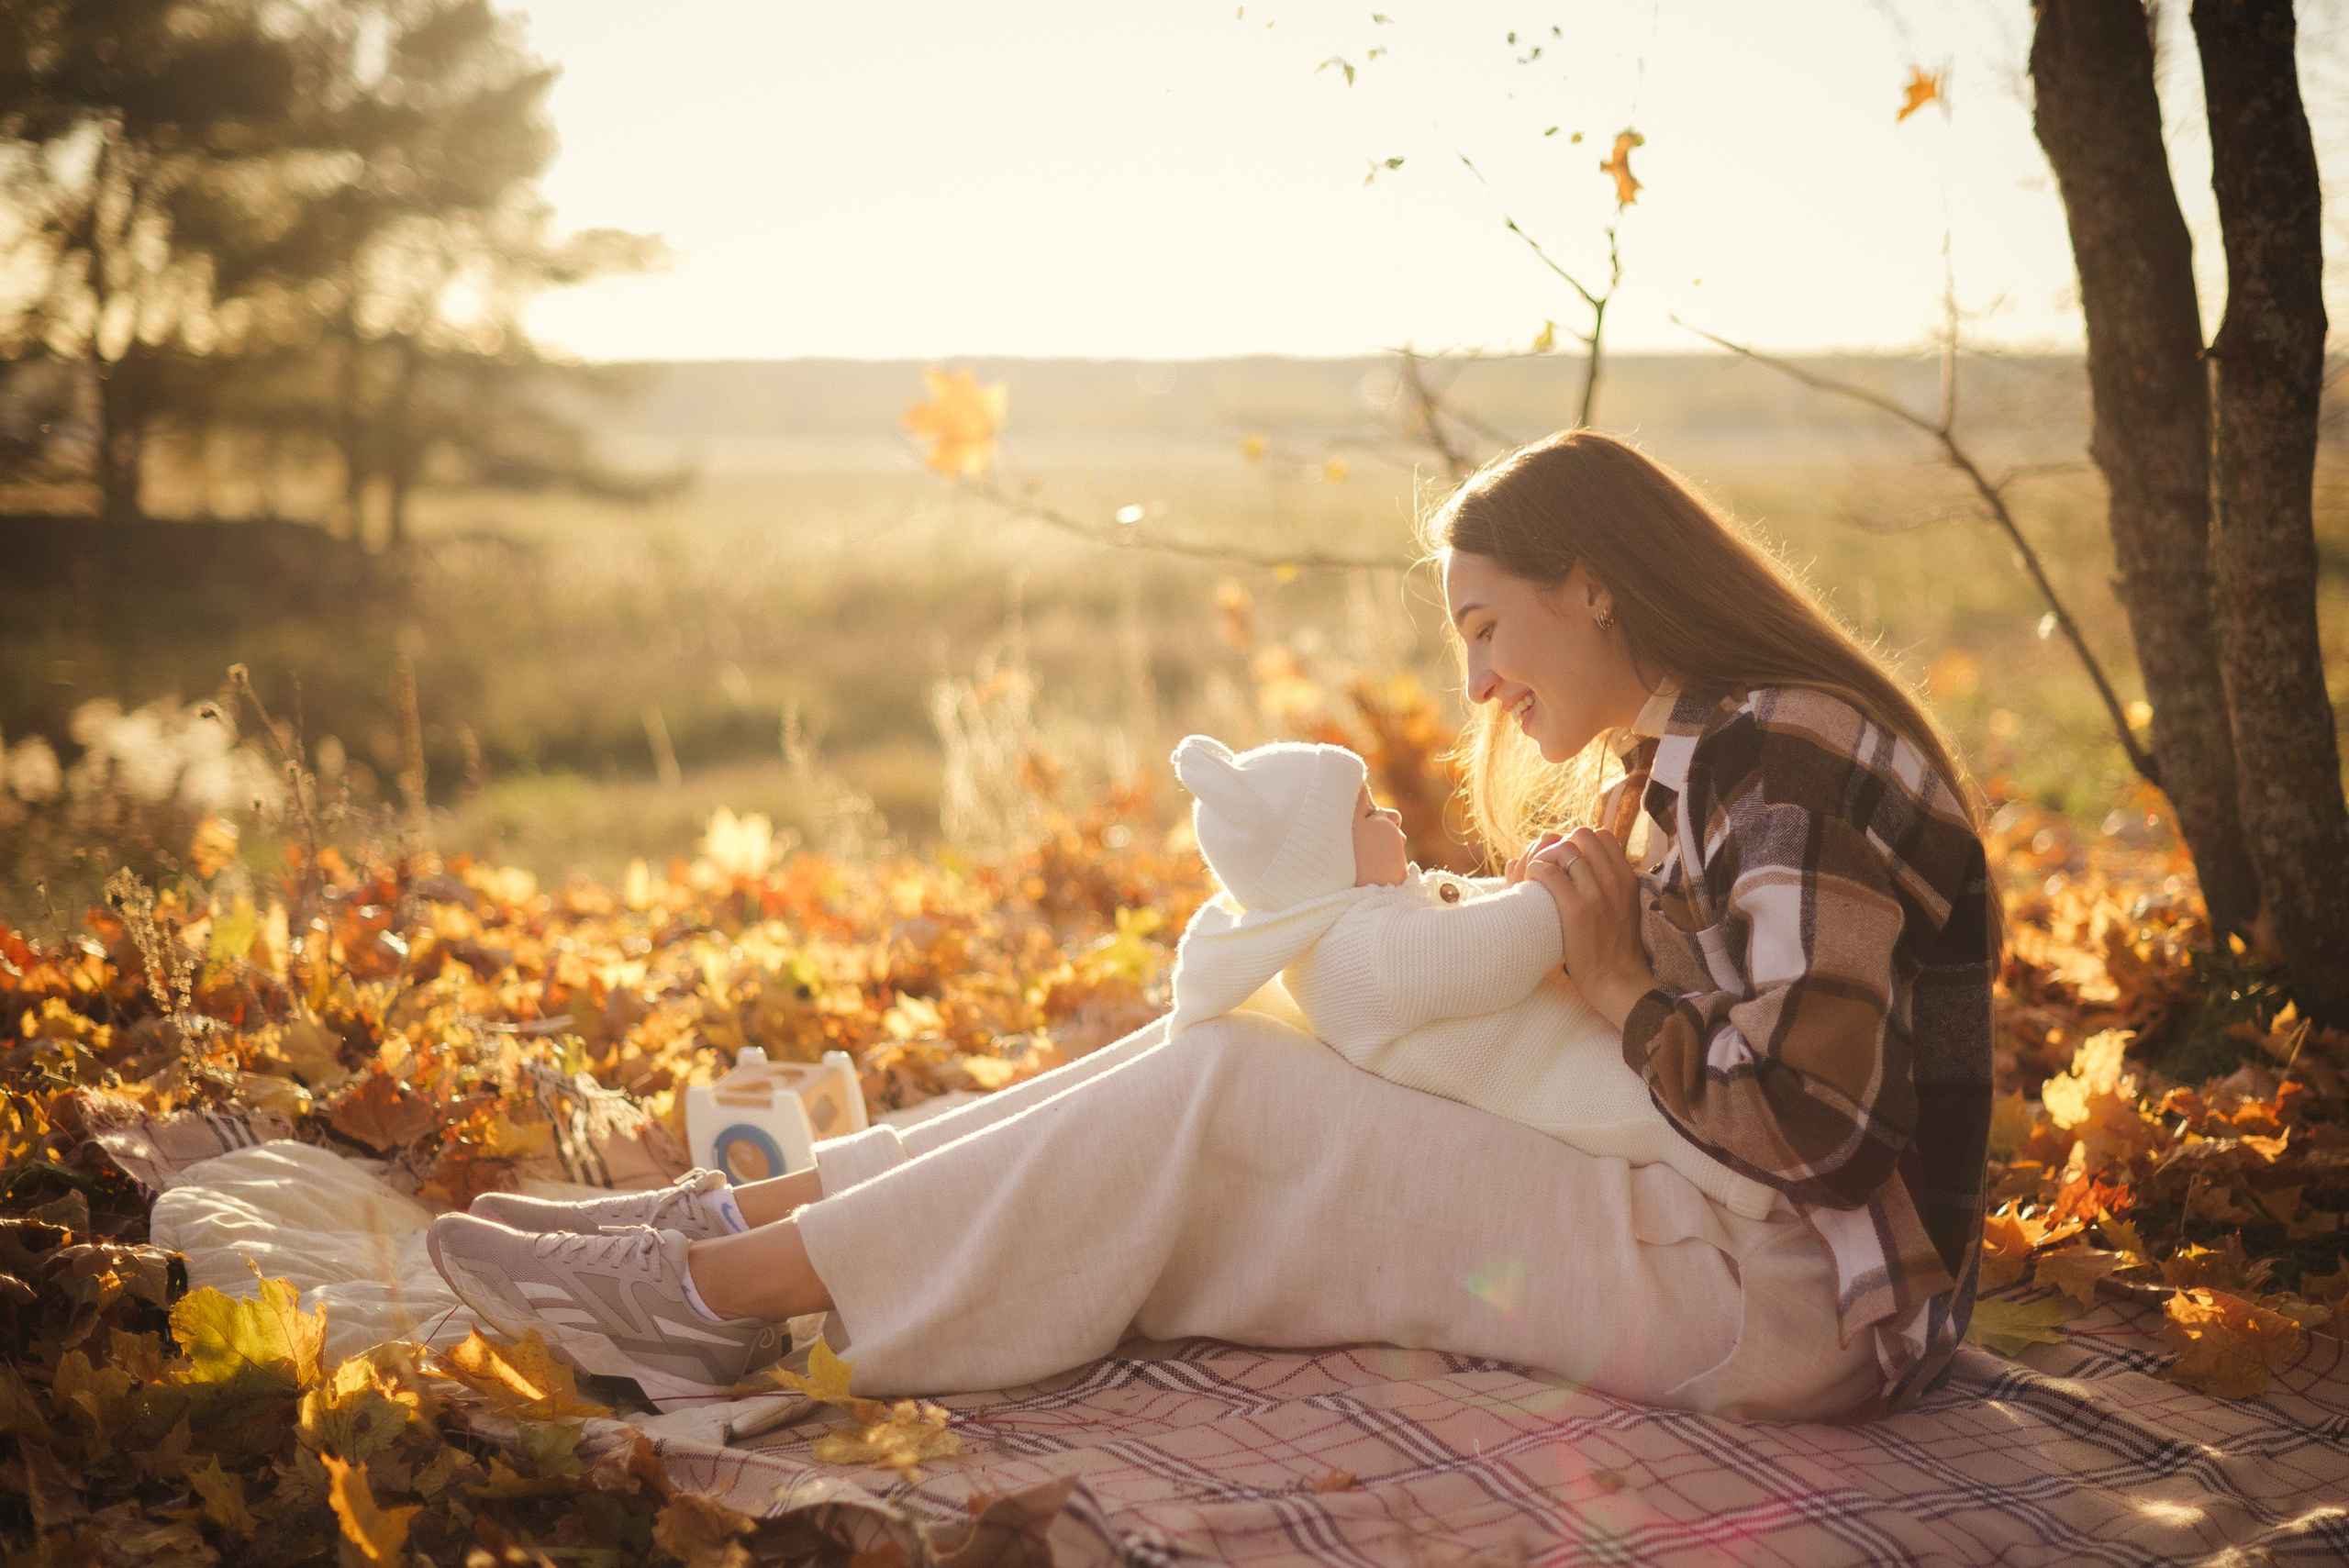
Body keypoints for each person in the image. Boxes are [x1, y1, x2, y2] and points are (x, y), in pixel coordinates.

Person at [427, 428, 1995, 1420]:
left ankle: (719, 1300)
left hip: (1799, 1299)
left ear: (1588, 584)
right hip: (1721, 1231)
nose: (1478, 685)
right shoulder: (1696, 747)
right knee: (1234, 1033)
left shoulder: (1778, 753)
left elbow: (1822, 1129)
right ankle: (726, 1229)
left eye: (1486, 626)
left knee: (1236, 1098)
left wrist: (1602, 986)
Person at [1160, 732, 1776, 1220]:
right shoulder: (1358, 957)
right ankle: (1765, 1196)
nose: (1393, 813)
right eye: (1369, 812)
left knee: (1676, 1087)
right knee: (1663, 1123)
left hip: (1574, 1046)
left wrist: (1520, 886)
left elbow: (1467, 923)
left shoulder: (1364, 921)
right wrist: (1555, 890)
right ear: (1324, 855)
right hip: (1574, 1087)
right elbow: (1491, 951)